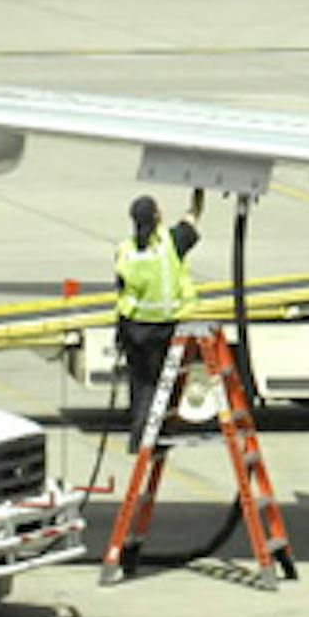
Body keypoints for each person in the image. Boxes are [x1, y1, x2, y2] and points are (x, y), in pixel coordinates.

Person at [114, 189, 203, 452]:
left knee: (141, 385)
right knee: (162, 385)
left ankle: (138, 437)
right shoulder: (171, 243)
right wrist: (199, 189)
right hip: (162, 327)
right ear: (157, 216)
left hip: (133, 327)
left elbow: (121, 288)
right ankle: (152, 439)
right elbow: (194, 215)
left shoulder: (125, 250)